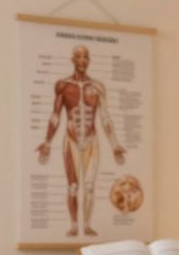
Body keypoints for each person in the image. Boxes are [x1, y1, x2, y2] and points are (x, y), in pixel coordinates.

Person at [36, 45, 126, 237]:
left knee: (90, 186)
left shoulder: (98, 87)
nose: (83, 60)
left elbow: (105, 117)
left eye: (86, 57)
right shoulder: (63, 86)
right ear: (73, 60)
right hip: (71, 140)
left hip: (91, 140)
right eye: (79, 57)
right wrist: (47, 142)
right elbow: (55, 116)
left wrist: (115, 144)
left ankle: (87, 225)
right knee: (73, 186)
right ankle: (74, 225)